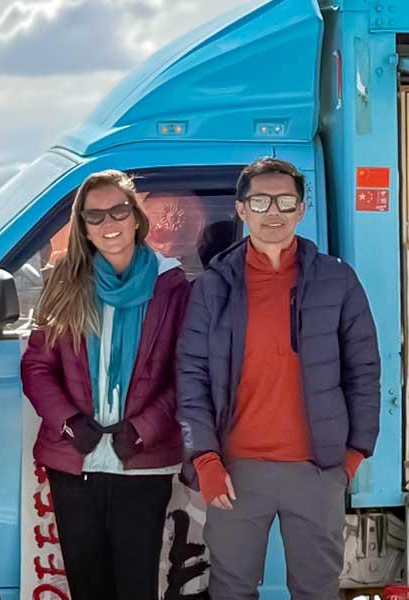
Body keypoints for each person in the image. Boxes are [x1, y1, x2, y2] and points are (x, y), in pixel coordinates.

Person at [176, 157, 382, 600]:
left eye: (286, 201)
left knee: (316, 590)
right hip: (235, 470)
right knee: (231, 589)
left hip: (317, 467)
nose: (274, 212)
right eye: (260, 201)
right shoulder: (213, 286)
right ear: (241, 209)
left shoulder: (337, 280)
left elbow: (364, 370)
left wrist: (352, 456)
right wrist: (205, 459)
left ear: (301, 209)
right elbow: (191, 377)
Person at [20, 171, 191, 600]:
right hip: (75, 461)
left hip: (142, 461)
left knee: (136, 587)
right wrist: (68, 423)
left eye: (118, 210)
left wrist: (143, 430)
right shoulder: (65, 281)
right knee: (87, 587)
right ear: (82, 225)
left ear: (136, 217)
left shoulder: (171, 285)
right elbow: (38, 366)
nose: (108, 223)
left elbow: (185, 372)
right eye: (94, 215)